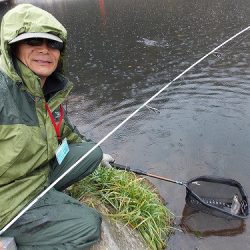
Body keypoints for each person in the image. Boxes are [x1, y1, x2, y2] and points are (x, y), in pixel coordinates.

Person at [0, 3, 114, 249]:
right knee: (87, 225)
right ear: (13, 48)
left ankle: (48, 197)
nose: (45, 50)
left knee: (92, 152)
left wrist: (96, 153)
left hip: (38, 174)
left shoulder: (48, 89)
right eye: (34, 42)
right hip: (8, 200)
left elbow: (67, 133)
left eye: (53, 44)